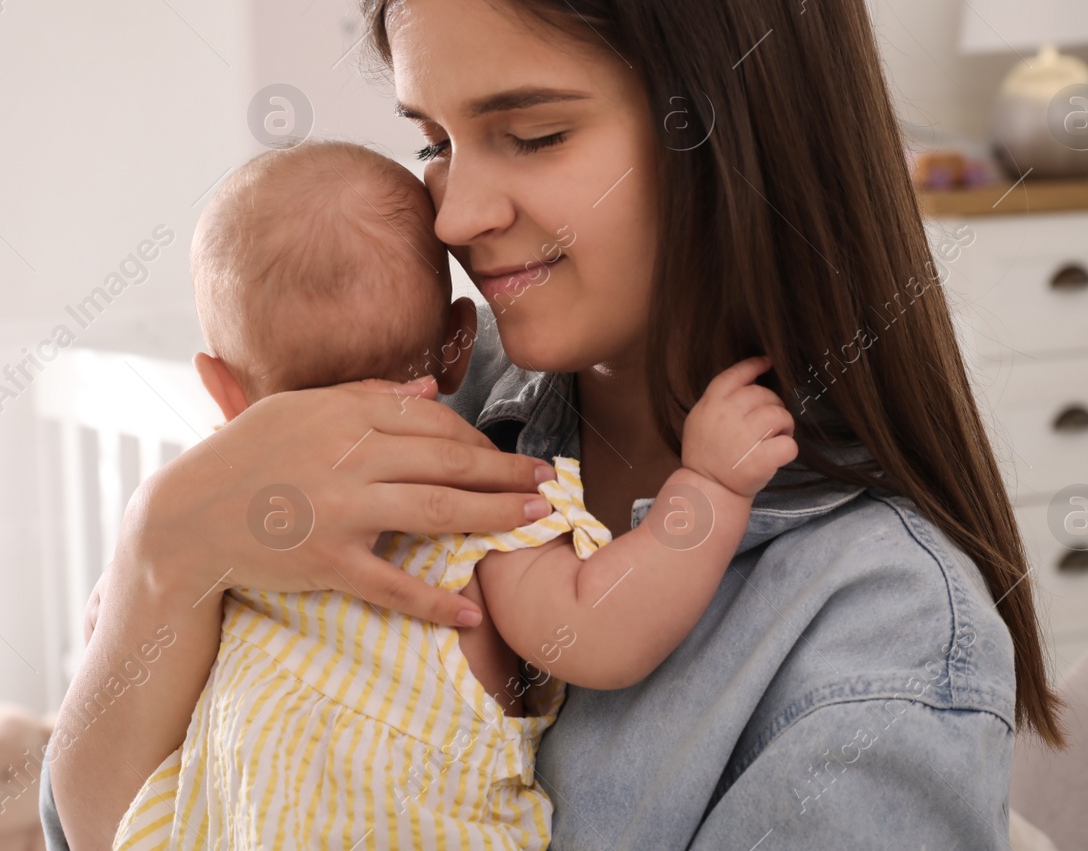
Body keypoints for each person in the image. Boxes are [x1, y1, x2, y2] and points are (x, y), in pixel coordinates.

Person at [45, 0, 1064, 846]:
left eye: (530, 135)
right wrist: (157, 553)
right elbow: (104, 824)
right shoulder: (422, 396)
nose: (455, 213)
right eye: (433, 140)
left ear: (723, 125)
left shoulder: (877, 630)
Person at [106, 139, 795, 847]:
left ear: (221, 387)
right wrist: (711, 485)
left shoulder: (229, 535)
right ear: (460, 341)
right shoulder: (471, 497)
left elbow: (124, 706)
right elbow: (601, 631)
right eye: (435, 142)